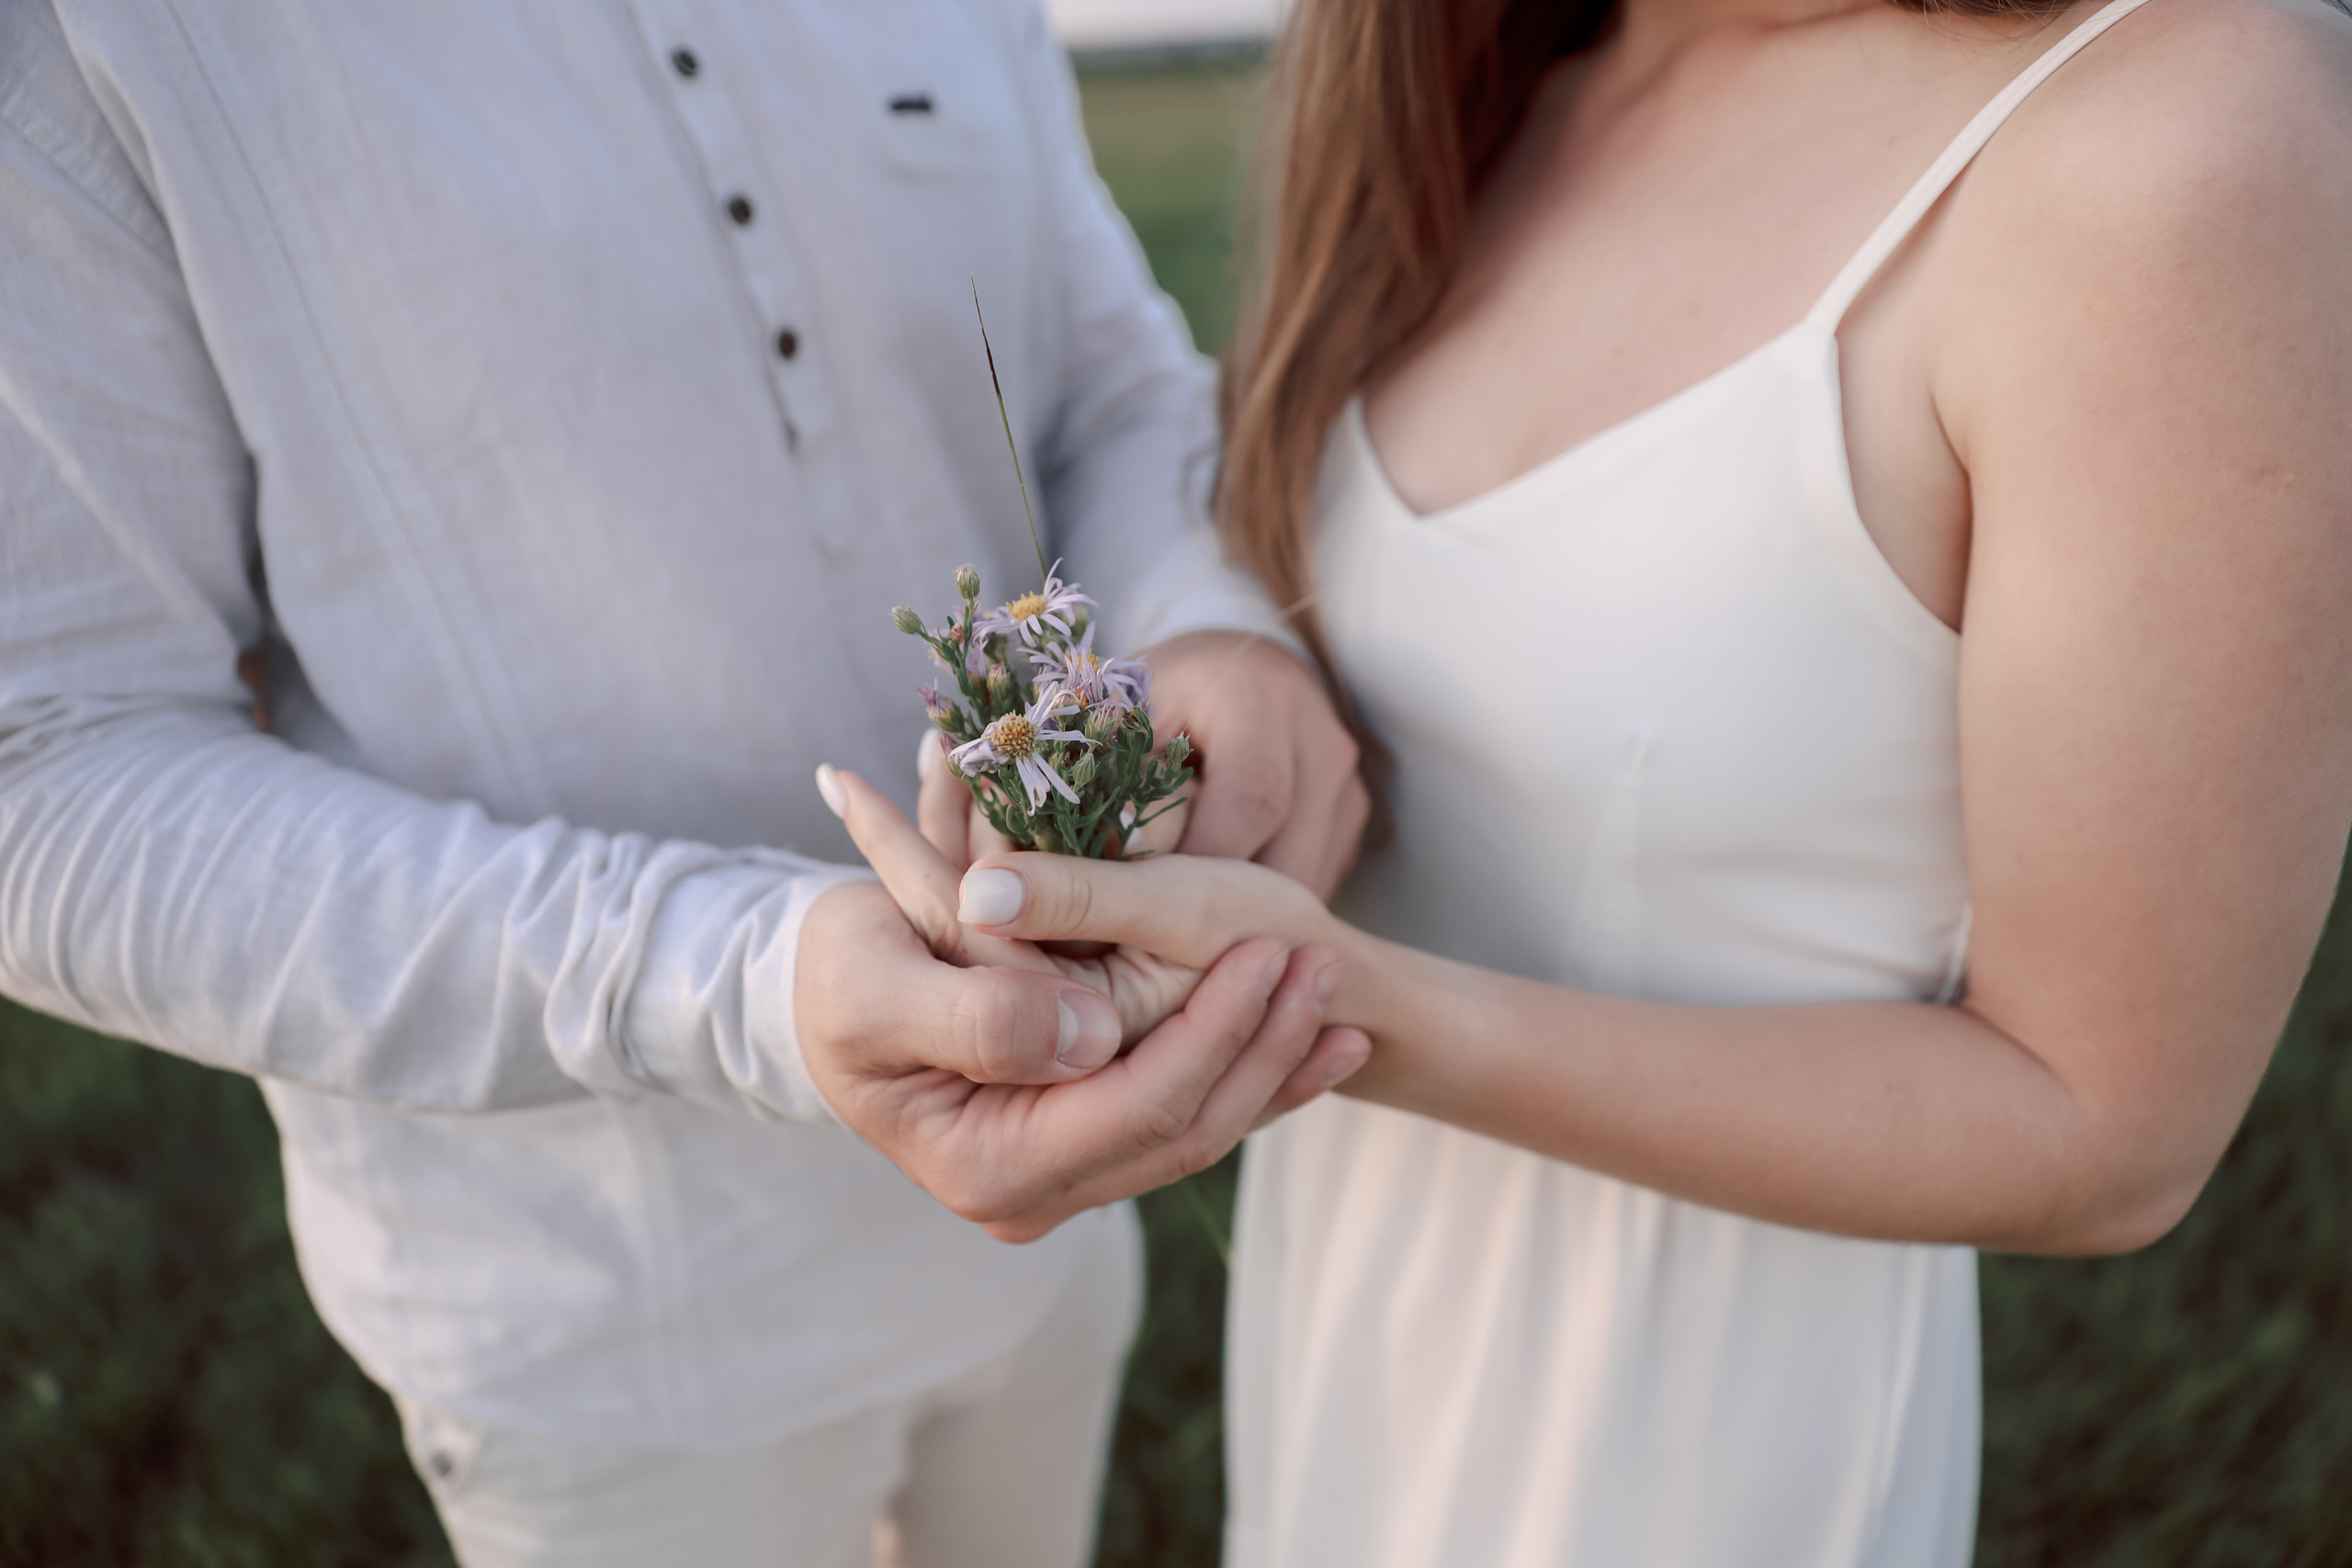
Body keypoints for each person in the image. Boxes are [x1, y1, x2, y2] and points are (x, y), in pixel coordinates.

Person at [826, 0, 2352, 1561]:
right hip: (1357, 1332)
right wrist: (1210, 757)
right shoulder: (1492, 72)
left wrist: (1327, 1002)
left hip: (1709, 1444)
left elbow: (2104, 1127)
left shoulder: (2179, 126)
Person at [0, 3, 1370, 1564]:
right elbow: (48, 761)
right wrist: (745, 979)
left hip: (1064, 1189)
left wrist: (1213, 629)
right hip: (610, 1323)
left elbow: (1105, 392)